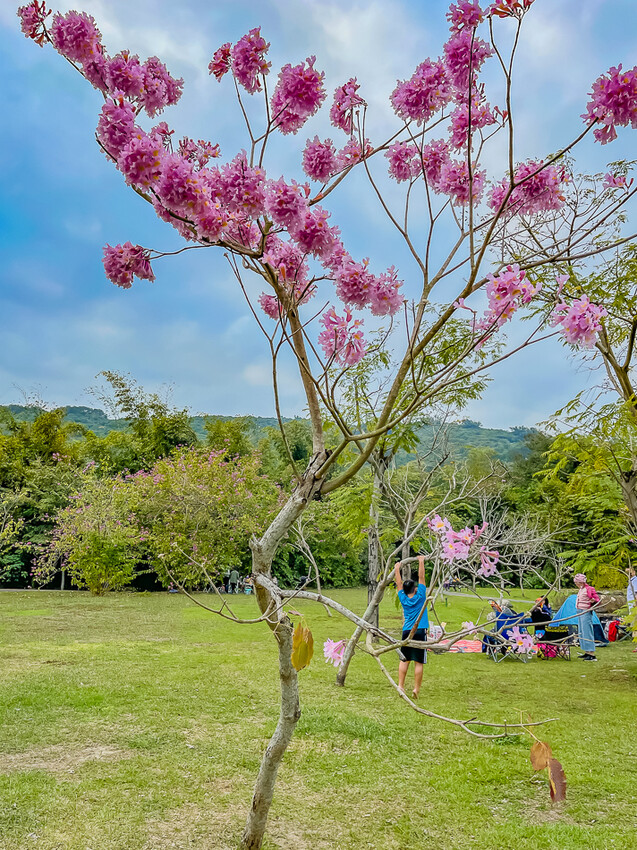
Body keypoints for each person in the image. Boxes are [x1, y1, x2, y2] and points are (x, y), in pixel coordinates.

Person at [395, 555, 428, 701]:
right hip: (420, 630)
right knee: (418, 662)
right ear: (415, 589)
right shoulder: (420, 595)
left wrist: (397, 568)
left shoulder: (402, 598)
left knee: (404, 660)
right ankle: (416, 689)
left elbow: (398, 583)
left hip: (407, 631)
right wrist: (421, 561)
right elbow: (422, 577)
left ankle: (401, 686)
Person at [574, 572, 600, 660]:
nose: (576, 584)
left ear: (581, 582)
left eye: (577, 582)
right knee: (581, 631)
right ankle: (586, 651)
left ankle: (591, 653)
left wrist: (593, 600)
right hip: (579, 611)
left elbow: (597, 599)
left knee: (587, 631)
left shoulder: (589, 589)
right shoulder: (581, 589)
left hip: (586, 611)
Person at [626, 566, 637, 650]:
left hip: (634, 605)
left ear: (633, 572)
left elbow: (636, 593)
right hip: (631, 605)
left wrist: (635, 603)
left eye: (629, 572)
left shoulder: (635, 580)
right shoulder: (631, 581)